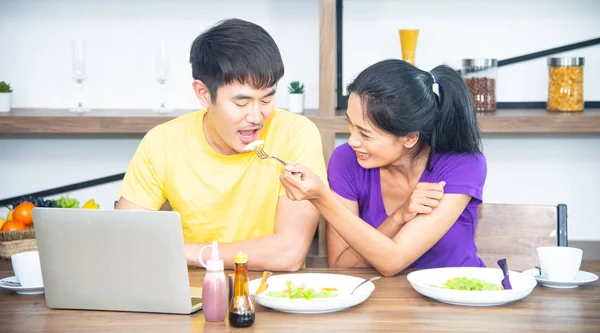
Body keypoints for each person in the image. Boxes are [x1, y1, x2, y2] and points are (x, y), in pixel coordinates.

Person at [116, 18, 327, 272]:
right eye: (241, 102)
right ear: (204, 94)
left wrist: (192, 252)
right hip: (192, 291)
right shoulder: (163, 142)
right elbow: (129, 240)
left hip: (274, 292)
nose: (256, 117)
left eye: (267, 98)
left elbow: (288, 253)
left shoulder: (296, 134)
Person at [280, 59, 486, 277]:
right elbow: (342, 264)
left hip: (460, 298)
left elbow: (392, 261)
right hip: (382, 301)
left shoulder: (462, 165)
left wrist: (322, 197)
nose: (352, 141)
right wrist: (398, 217)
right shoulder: (347, 160)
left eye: (365, 133)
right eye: (350, 125)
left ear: (409, 137)